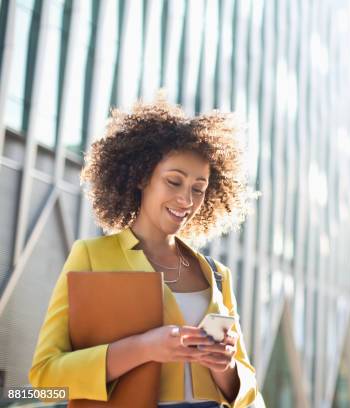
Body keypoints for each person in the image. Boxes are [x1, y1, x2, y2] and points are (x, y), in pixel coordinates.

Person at [28, 94, 259, 408]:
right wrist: (142, 349)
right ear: (140, 177)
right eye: (174, 181)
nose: (186, 201)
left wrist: (226, 368)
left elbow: (249, 395)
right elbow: (45, 380)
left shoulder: (217, 275)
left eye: (198, 189)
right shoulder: (92, 257)